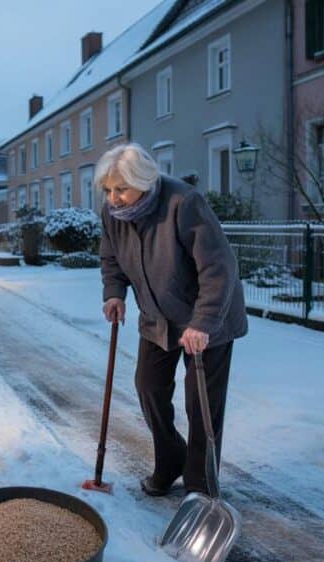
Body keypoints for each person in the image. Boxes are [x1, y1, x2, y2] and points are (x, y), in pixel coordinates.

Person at [96, 143, 248, 496]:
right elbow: (111, 258)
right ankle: (170, 458)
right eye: (108, 190)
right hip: (157, 317)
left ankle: (200, 484)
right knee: (149, 386)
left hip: (208, 320)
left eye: (121, 189)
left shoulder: (183, 203)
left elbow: (218, 267)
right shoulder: (112, 215)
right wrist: (114, 292)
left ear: (144, 181)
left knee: (203, 407)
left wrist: (203, 323)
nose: (114, 198)